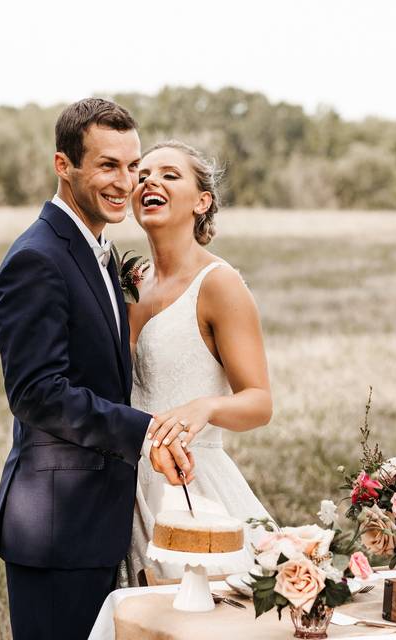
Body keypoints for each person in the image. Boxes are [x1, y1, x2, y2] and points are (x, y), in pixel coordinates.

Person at [0, 99, 194, 639]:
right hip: (59, 526)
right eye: (107, 165)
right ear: (64, 166)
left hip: (97, 521)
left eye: (132, 165)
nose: (125, 181)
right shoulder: (38, 257)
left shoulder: (98, 249)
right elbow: (37, 392)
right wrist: (145, 430)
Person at [123, 140, 274, 584]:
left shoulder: (219, 284)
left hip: (189, 491)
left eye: (170, 174)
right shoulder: (129, 282)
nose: (151, 181)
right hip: (124, 492)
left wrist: (205, 407)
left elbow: (260, 403)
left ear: (202, 201)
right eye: (143, 174)